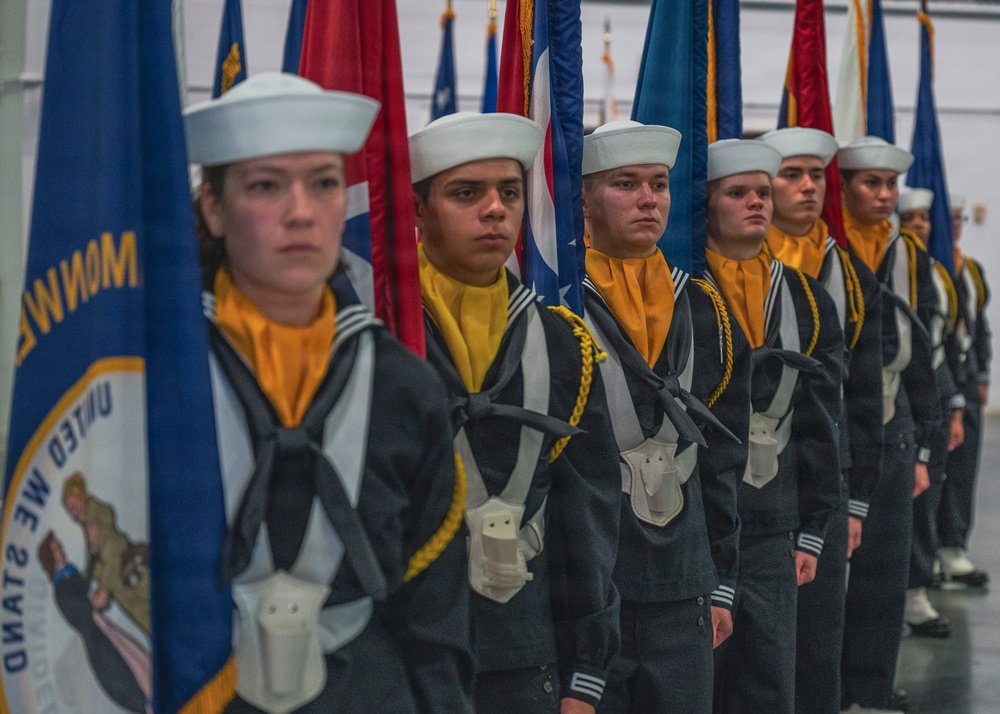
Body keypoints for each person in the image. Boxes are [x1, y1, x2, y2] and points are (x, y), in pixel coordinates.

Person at [184, 72, 473, 713]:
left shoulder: (404, 384)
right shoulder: (164, 380)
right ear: (213, 207)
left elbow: (436, 608)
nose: (301, 212)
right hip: (198, 690)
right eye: (265, 185)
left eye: (323, 183)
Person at [409, 112, 622, 714]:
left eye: (509, 192)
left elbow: (588, 515)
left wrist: (587, 668)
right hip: (411, 652)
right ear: (419, 212)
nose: (496, 210)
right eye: (466, 193)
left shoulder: (562, 343)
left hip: (525, 648)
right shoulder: (387, 338)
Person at [579, 120, 750, 713]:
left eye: (659, 184)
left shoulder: (702, 306)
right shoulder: (560, 309)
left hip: (684, 577)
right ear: (584, 198)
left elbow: (724, 457)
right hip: (596, 585)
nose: (648, 199)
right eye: (626, 184)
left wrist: (721, 579)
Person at [702, 139, 843, 714]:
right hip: (699, 524)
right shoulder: (680, 296)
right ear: (707, 204)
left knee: (767, 672)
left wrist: (814, 525)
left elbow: (822, 423)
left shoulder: (808, 300)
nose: (756, 203)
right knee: (701, 678)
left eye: (763, 192)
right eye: (738, 193)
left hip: (772, 519)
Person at [760, 126, 884, 714]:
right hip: (751, 483)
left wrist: (854, 497)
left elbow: (861, 392)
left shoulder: (846, 274)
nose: (808, 187)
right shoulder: (720, 272)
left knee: (815, 640)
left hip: (821, 466)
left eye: (816, 176)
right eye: (792, 174)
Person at [837, 137, 941, 713]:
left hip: (892, 411)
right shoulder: (824, 249)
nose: (883, 195)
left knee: (883, 563)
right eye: (869, 184)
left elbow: (923, 349)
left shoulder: (907, 253)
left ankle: (871, 687)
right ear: (845, 188)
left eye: (889, 185)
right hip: (838, 418)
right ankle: (826, 687)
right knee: (829, 571)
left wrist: (925, 443)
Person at [897, 187, 966, 638]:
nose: (922, 224)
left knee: (930, 488)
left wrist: (951, 399)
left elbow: (941, 336)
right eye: (914, 217)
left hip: (932, 389)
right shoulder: (892, 264)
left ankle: (918, 583)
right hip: (897, 395)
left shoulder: (935, 268)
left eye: (926, 217)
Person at [937, 193, 992, 588]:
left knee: (963, 468)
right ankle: (927, 556)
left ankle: (952, 546)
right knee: (933, 469)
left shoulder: (970, 269)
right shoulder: (930, 269)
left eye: (960, 219)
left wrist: (984, 372)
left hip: (968, 379)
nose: (955, 224)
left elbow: (978, 325)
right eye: (949, 218)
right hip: (939, 379)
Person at [38, 531, 151, 714]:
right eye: (55, 548)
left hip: (102, 627)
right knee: (123, 671)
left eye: (58, 545)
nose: (60, 548)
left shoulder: (69, 573)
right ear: (50, 558)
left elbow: (83, 585)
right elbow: (78, 612)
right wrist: (94, 603)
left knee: (137, 660)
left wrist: (93, 554)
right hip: (97, 641)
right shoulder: (60, 590)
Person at [62, 472, 150, 636]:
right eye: (70, 511)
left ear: (82, 497)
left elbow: (112, 557)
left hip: (134, 578)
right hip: (124, 590)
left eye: (74, 507)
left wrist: (104, 589)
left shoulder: (95, 519)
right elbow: (95, 565)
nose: (73, 515)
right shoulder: (88, 528)